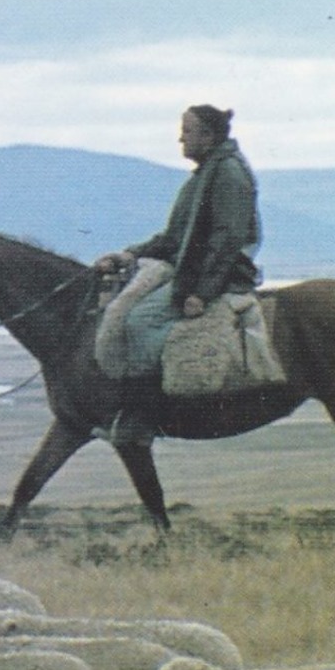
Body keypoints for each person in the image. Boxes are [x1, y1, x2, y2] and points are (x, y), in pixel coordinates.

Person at [93, 105, 263, 445]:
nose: (180, 137)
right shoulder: (205, 175)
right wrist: (131, 254)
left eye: (187, 130)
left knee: (139, 320)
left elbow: (227, 241)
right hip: (196, 271)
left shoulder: (228, 174)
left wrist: (202, 292)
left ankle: (143, 416)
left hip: (219, 275)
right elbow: (174, 238)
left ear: (208, 136)